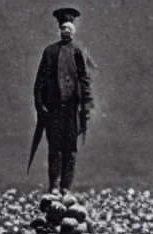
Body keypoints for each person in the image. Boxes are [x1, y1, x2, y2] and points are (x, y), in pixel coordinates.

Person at [33, 7, 95, 195]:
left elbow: (85, 81)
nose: (66, 32)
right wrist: (40, 105)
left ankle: (66, 187)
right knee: (54, 149)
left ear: (73, 30)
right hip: (53, 110)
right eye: (63, 28)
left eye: (69, 29)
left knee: (70, 149)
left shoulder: (78, 52)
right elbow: (40, 82)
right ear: (59, 30)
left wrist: (86, 106)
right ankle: (54, 185)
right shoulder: (50, 52)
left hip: (72, 109)